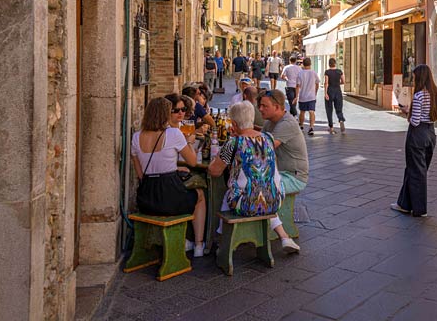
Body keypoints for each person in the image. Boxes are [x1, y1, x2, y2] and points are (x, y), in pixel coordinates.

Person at [208, 102, 300, 254]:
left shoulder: (233, 143)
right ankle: (284, 237)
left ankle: (221, 240)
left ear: (234, 123)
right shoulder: (269, 138)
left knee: (228, 195)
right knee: (261, 191)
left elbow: (215, 171)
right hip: (275, 201)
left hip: (245, 204)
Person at [132, 97, 206, 257]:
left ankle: (185, 240)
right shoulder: (173, 133)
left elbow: (141, 174)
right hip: (169, 198)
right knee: (199, 193)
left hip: (146, 199)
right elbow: (192, 162)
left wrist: (172, 167)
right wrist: (190, 142)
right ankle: (198, 244)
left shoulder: (136, 137)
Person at [391, 65, 437, 218]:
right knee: (416, 170)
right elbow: (432, 115)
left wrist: (407, 111)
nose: (413, 80)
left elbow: (415, 121)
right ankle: (404, 204)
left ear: (420, 78)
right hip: (430, 133)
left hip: (417, 135)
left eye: (414, 77)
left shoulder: (419, 95)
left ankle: (419, 209)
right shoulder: (436, 94)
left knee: (416, 172)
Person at [258, 89, 309, 214]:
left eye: (264, 106)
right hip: (278, 173)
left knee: (256, 189)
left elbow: (264, 148)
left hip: (293, 177)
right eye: (260, 105)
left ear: (276, 107)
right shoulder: (269, 123)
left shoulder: (287, 123)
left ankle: (270, 225)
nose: (260, 109)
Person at [295, 57, 320, 135]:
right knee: (311, 112)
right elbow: (317, 83)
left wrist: (296, 96)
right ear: (310, 64)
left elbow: (297, 86)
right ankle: (311, 127)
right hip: (311, 96)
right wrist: (315, 92)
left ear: (303, 64)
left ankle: (301, 126)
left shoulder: (300, 73)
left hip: (302, 96)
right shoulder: (314, 73)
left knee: (302, 112)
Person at [324, 58, 346, 134]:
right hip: (338, 91)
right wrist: (338, 83)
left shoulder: (327, 72)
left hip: (330, 91)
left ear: (329, 64)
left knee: (329, 109)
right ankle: (341, 119)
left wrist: (325, 93)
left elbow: (326, 83)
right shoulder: (339, 71)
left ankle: (331, 127)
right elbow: (343, 81)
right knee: (339, 108)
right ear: (335, 63)